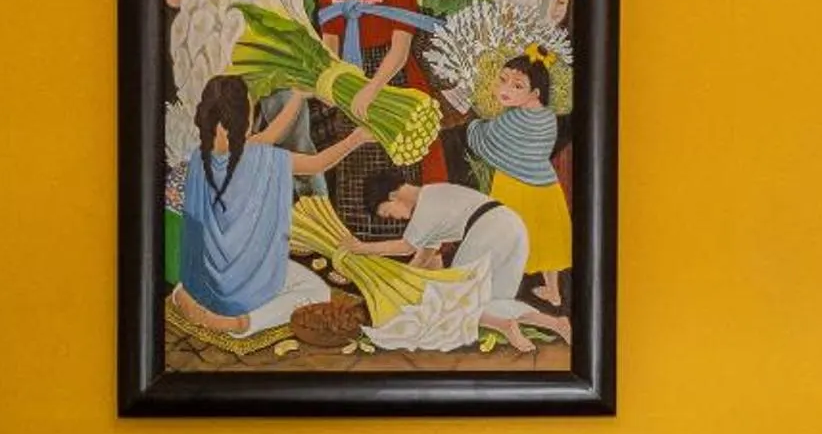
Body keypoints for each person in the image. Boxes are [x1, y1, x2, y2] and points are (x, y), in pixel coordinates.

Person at [172, 76, 370, 338]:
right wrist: (356, 138)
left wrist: (297, 97)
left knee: (208, 273)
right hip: (244, 280)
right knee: (316, 291)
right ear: (243, 121)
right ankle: (239, 322)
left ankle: (183, 294)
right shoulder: (260, 158)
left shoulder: (201, 158)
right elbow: (317, 164)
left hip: (205, 275)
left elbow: (270, 135)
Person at [353, 168, 571, 352]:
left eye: (388, 214)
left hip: (488, 230)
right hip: (514, 227)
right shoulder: (436, 193)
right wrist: (405, 280)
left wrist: (361, 248)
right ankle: (556, 323)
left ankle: (504, 325)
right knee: (494, 301)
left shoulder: (425, 209)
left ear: (392, 196)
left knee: (457, 300)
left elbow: (406, 247)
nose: (396, 219)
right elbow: (426, 251)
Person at [310, 0, 444, 178]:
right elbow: (329, 51)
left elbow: (400, 50)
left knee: (399, 169)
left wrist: (371, 89)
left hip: (393, 84)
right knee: (355, 171)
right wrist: (325, 85)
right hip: (349, 89)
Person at [464, 51, 572, 306]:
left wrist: (473, 126)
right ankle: (553, 292)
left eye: (516, 86)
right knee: (545, 240)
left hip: (513, 186)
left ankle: (500, 290)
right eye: (502, 80)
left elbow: (483, 139)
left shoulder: (511, 118)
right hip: (544, 187)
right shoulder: (547, 117)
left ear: (535, 92)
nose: (505, 89)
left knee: (505, 235)